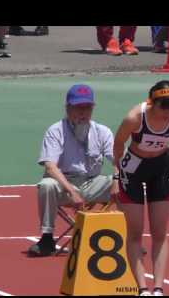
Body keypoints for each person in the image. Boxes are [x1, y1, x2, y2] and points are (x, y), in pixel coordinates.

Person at [113, 80, 169, 296]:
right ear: (151, 102)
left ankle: (158, 288)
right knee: (136, 231)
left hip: (160, 169)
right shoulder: (135, 118)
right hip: (133, 170)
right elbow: (118, 145)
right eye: (163, 107)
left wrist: (161, 164)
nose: (167, 113)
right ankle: (142, 289)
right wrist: (117, 174)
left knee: (160, 232)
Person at [27, 84, 118, 257]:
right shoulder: (56, 131)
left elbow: (118, 160)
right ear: (68, 108)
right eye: (78, 108)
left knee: (129, 184)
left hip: (92, 182)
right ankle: (47, 238)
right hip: (64, 183)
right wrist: (71, 191)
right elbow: (50, 166)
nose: (83, 113)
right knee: (46, 184)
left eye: (87, 108)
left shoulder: (102, 131)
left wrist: (117, 180)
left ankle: (125, 236)